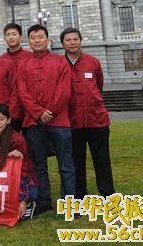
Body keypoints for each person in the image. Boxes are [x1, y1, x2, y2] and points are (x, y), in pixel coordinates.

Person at [17, 24, 75, 217]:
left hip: (59, 121)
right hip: (34, 123)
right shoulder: (23, 64)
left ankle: (69, 205)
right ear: (29, 41)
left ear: (47, 40)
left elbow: (64, 90)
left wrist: (49, 111)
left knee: (65, 165)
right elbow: (22, 92)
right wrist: (37, 112)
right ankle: (44, 201)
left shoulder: (60, 62)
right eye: (33, 38)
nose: (36, 41)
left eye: (40, 37)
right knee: (39, 165)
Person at [60, 27, 115, 200]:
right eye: (68, 40)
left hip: (96, 120)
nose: (72, 42)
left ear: (80, 41)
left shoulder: (93, 62)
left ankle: (108, 194)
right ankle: (80, 196)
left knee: (102, 160)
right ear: (63, 44)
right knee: (77, 162)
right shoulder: (60, 65)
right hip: (72, 122)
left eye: (75, 39)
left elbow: (99, 86)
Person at [0, 104, 38, 220]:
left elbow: (25, 171)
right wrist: (6, 157)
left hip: (21, 179)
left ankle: (28, 202)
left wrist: (23, 200)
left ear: (8, 120)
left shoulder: (17, 139)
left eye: (1, 119)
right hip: (3, 178)